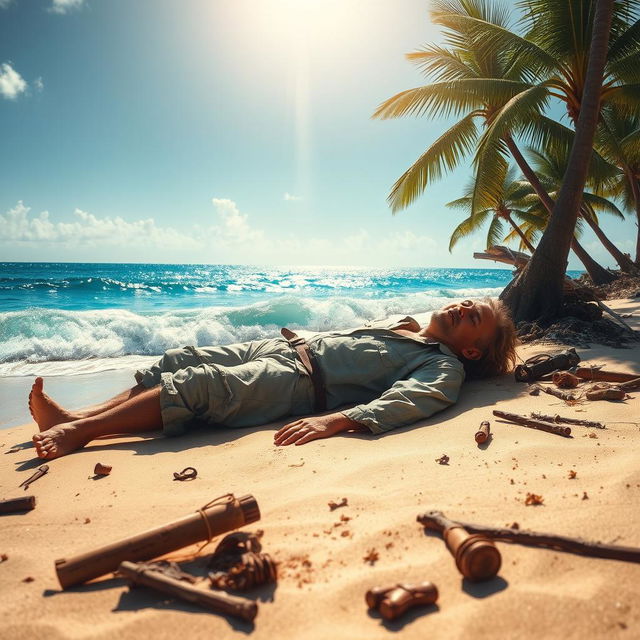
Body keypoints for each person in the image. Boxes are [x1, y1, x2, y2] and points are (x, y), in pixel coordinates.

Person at [30, 298, 517, 460]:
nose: (461, 307)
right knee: (177, 359)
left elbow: (413, 400)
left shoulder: (444, 367)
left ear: (470, 348)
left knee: (198, 386)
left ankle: (80, 433)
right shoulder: (407, 327)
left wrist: (339, 421)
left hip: (297, 381)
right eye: (467, 303)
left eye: (472, 316)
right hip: (282, 347)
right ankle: (81, 414)